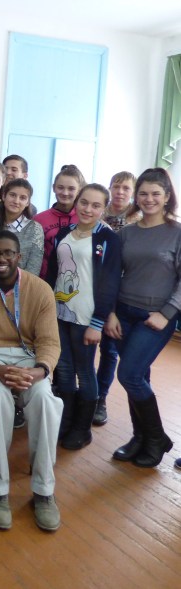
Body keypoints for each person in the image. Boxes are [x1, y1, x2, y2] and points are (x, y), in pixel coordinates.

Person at [0, 230, 62, 532]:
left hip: (29, 360)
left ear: (19, 256)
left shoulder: (40, 289)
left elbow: (49, 341)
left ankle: (44, 491)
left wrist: (40, 371)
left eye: (8, 253)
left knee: (45, 399)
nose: (1, 258)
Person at [104, 168, 181, 469]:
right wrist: (110, 312)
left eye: (155, 194)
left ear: (167, 197)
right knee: (140, 376)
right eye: (143, 194)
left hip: (156, 317)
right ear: (136, 197)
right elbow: (112, 276)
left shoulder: (177, 233)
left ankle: (157, 438)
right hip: (123, 314)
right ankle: (140, 438)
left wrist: (166, 313)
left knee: (129, 375)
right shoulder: (126, 233)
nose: (149, 199)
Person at [46, 184, 121, 450]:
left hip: (86, 318)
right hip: (59, 313)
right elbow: (53, 273)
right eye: (84, 202)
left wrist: (97, 323)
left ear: (104, 209)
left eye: (96, 205)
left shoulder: (108, 239)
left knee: (85, 372)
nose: (88, 209)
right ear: (77, 202)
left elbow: (110, 284)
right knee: (64, 369)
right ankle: (65, 423)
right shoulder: (64, 233)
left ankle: (82, 428)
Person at [93, 171, 138, 426]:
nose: (120, 192)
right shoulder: (98, 211)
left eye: (126, 188)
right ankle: (85, 393)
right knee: (86, 344)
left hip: (121, 294)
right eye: (116, 187)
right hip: (93, 288)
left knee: (109, 349)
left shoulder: (138, 219)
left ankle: (100, 397)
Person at [34, 164, 85, 278]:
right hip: (45, 280)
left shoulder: (85, 218)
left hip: (77, 280)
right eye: (60, 187)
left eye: (71, 189)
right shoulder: (38, 220)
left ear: (79, 190)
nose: (65, 193)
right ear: (53, 188)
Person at [0, 178, 44, 275]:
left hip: (22, 282)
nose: (16, 201)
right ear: (4, 196)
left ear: (27, 203)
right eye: (12, 195)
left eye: (22, 198)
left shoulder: (35, 229)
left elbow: (34, 268)